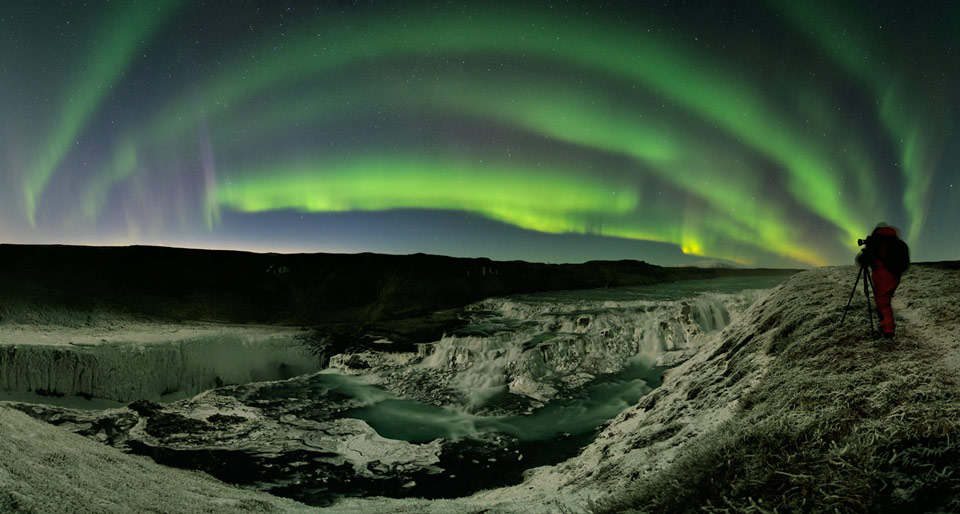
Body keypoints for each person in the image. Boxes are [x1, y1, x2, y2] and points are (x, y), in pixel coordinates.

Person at [856, 223, 909, 339]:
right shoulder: (894, 242)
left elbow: (862, 260)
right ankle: (886, 326)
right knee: (885, 302)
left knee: (883, 305)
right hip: (894, 277)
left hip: (883, 278)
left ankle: (888, 332)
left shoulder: (878, 244)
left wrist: (867, 251)